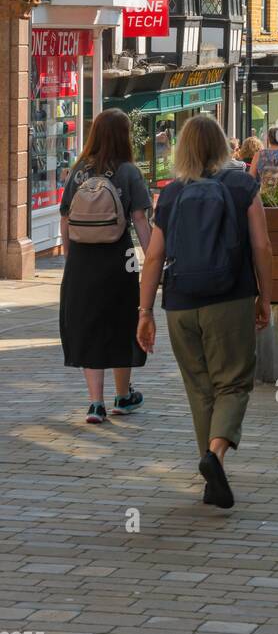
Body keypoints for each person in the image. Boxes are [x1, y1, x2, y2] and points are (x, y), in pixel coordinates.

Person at [136, 115, 273, 510]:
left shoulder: (172, 194)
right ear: (221, 147)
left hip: (180, 303)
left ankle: (212, 478)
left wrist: (144, 311)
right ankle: (214, 457)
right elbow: (262, 247)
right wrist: (266, 296)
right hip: (229, 299)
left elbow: (154, 258)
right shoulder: (243, 185)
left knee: (200, 390)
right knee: (232, 384)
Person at [59, 109, 153, 424]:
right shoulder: (129, 172)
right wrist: (153, 259)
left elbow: (65, 220)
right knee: (121, 322)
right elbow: (139, 220)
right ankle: (123, 396)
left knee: (88, 325)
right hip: (118, 259)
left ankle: (95, 403)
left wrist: (72, 257)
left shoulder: (78, 171)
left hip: (82, 261)